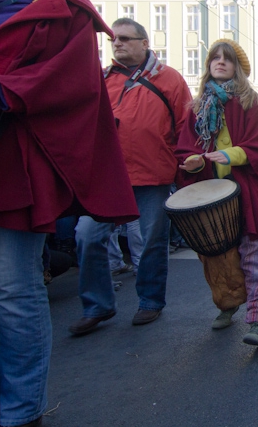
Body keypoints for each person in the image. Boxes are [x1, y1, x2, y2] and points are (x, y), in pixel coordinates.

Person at [0, 0, 138, 425]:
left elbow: (71, 81)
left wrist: (1, 88)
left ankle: (20, 411)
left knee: (13, 288)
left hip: (14, 166)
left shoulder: (62, 6)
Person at [69, 18, 192, 336]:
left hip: (153, 174)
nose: (117, 43)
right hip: (109, 177)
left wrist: (185, 175)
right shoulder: (103, 79)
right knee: (87, 236)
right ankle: (97, 306)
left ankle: (150, 301)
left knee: (152, 241)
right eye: (113, 39)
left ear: (144, 43)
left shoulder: (170, 79)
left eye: (124, 38)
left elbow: (185, 129)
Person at [177, 39, 258, 346]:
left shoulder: (252, 102)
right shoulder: (195, 108)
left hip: (245, 191)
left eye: (227, 59)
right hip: (210, 193)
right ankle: (228, 303)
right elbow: (185, 148)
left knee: (255, 254)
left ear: (238, 67)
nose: (220, 62)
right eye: (214, 58)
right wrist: (191, 163)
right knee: (217, 258)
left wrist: (232, 154)